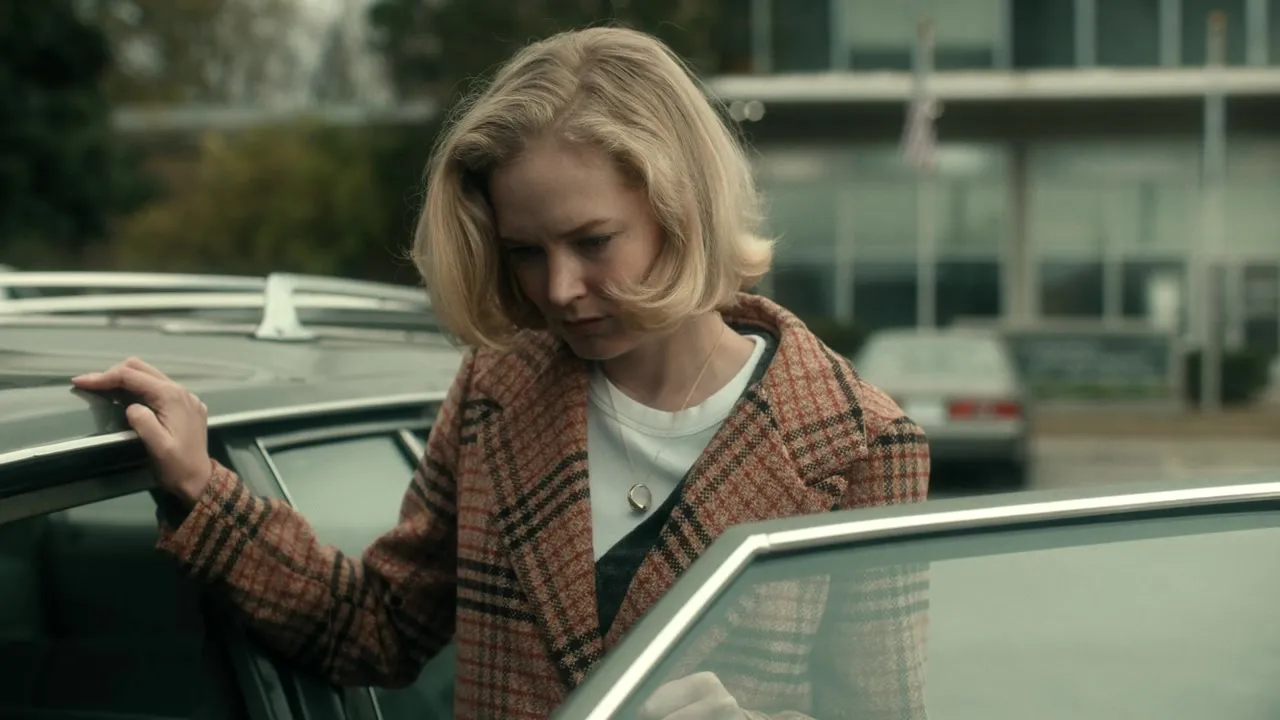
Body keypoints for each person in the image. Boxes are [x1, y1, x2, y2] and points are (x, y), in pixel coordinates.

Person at [72, 26, 930, 720]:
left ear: (684, 210)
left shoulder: (859, 444)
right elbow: (374, 627)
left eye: (593, 242)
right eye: (526, 252)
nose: (558, 290)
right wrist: (203, 487)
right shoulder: (499, 388)